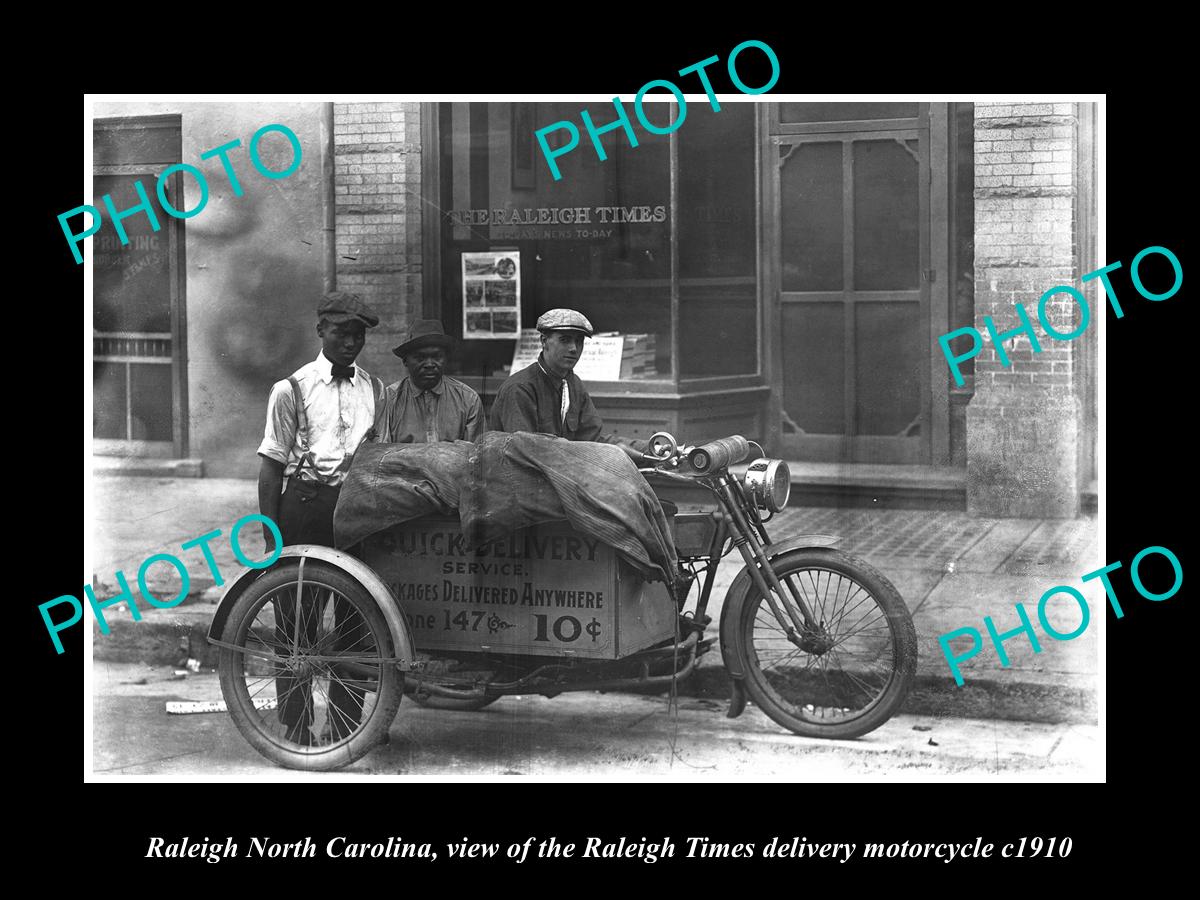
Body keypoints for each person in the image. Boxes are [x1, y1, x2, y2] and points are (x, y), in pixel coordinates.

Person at [256, 291, 385, 746]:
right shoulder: (292, 388)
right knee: (297, 622)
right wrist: (271, 538)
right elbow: (272, 466)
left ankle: (345, 725)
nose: (351, 341)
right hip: (305, 509)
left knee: (355, 618)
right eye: (341, 332)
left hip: (355, 510)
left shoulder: (375, 388)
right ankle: (295, 727)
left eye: (358, 334)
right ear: (321, 331)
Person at [489, 308, 646, 460]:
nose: (573, 348)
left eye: (579, 341)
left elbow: (592, 441)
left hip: (562, 473)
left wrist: (649, 449)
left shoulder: (572, 384)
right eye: (565, 340)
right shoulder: (520, 388)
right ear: (544, 341)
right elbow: (525, 453)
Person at [376, 319, 485, 444]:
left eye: (437, 356)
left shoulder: (468, 399)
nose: (429, 364)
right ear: (405, 361)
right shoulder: (389, 401)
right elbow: (381, 454)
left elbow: (476, 455)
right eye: (420, 357)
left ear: (446, 359)